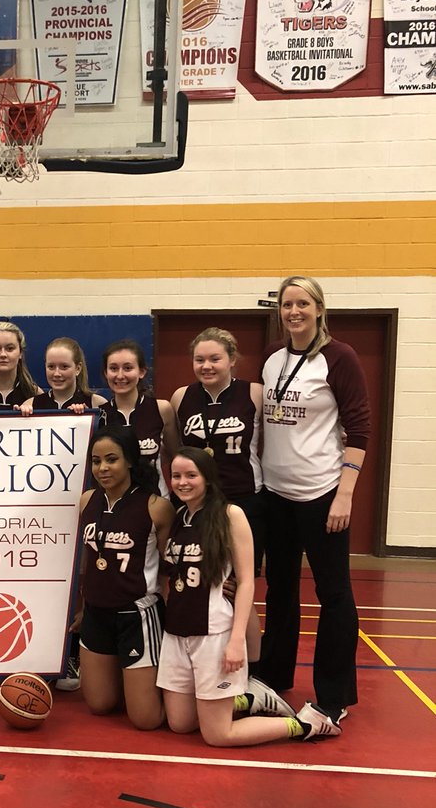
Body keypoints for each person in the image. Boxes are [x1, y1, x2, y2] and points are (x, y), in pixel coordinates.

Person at [254, 275, 371, 735]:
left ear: (319, 308)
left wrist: (345, 493)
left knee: (334, 594)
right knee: (280, 590)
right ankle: (274, 678)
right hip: (276, 495)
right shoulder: (272, 357)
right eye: (287, 304)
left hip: (322, 493)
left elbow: (359, 429)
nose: (294, 312)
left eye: (303, 303)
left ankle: (333, 699)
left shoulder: (339, 357)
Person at [159, 448, 328, 745]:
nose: (182, 482)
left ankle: (303, 724)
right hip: (177, 632)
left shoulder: (230, 514)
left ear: (207, 478)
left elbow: (247, 581)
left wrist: (237, 641)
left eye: (191, 475)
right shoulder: (179, 517)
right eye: (176, 476)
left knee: (218, 735)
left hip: (213, 632)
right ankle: (248, 700)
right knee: (180, 724)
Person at [170, 326, 273, 705]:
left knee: (238, 587)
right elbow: (176, 450)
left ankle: (256, 676)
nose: (207, 365)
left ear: (232, 359)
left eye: (215, 358)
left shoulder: (255, 393)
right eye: (200, 359)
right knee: (206, 587)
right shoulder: (181, 398)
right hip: (197, 505)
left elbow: (270, 444)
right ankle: (203, 667)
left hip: (244, 501)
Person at [73, 428, 175, 730]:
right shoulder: (87, 501)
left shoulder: (155, 506)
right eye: (96, 461)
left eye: (111, 459)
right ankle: (128, 678)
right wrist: (82, 608)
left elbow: (171, 566)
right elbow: (88, 563)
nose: (102, 468)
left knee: (145, 720)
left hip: (137, 615)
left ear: (129, 460)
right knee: (99, 705)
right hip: (96, 613)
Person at [20, 336, 106, 690]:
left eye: (64, 366)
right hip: (41, 508)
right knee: (43, 582)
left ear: (78, 368)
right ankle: (40, 652)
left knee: (79, 579)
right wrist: (21, 422)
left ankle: (70, 655)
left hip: (82, 504)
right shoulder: (32, 404)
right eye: (51, 367)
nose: (57, 373)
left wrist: (88, 422)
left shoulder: (96, 404)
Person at [99, 339, 177, 496]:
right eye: (113, 368)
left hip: (156, 500)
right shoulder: (100, 414)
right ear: (106, 373)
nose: (120, 375)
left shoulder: (161, 409)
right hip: (114, 502)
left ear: (141, 371)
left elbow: (175, 454)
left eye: (128, 368)